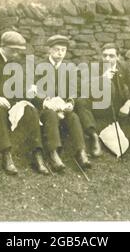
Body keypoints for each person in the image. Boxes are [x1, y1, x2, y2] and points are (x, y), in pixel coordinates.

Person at [0, 31, 50, 175]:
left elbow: (22, 85)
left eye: (18, 51)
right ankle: (6, 155)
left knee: (31, 110)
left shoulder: (16, 62)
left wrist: (31, 91)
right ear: (3, 46)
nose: (16, 54)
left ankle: (37, 154)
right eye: (13, 50)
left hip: (11, 102)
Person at [77, 43, 130, 152]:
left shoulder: (123, 67)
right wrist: (103, 78)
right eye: (104, 55)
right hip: (101, 107)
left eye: (111, 56)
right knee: (81, 102)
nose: (107, 59)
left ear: (118, 57)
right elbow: (85, 89)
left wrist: (127, 105)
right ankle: (94, 137)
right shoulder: (94, 68)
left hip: (119, 105)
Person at [34, 35, 92, 172]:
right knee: (50, 115)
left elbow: (75, 90)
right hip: (45, 107)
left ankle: (81, 152)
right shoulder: (39, 67)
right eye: (56, 49)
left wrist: (70, 102)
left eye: (63, 50)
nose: (60, 53)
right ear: (49, 50)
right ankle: (53, 154)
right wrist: (45, 101)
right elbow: (32, 90)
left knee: (73, 116)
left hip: (63, 107)